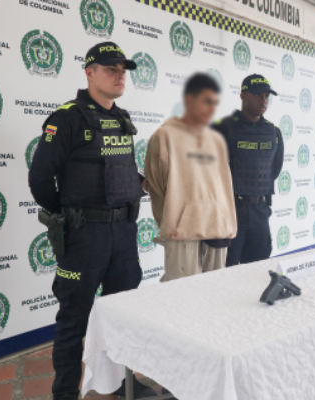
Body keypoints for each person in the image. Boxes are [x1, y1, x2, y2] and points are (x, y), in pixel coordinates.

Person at [28, 41, 155, 400]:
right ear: (89, 73)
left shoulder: (122, 118)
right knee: (74, 321)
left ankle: (122, 385)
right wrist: (69, 216)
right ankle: (65, 393)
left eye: (122, 70)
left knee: (122, 316)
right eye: (111, 69)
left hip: (123, 234)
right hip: (84, 237)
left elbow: (120, 172)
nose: (119, 76)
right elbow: (40, 180)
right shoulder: (67, 118)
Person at [144, 73, 237, 281]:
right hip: (182, 232)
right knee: (182, 293)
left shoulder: (216, 140)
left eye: (214, 102)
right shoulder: (164, 136)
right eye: (205, 101)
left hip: (218, 228)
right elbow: (156, 186)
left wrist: (225, 221)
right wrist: (174, 220)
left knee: (215, 291)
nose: (211, 108)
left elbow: (224, 185)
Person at [212, 74, 284, 266]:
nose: (264, 100)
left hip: (260, 211)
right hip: (230, 211)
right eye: (258, 95)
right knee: (226, 271)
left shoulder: (273, 132)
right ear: (243, 96)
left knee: (257, 269)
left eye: (267, 96)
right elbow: (211, 172)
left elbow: (274, 170)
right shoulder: (223, 128)